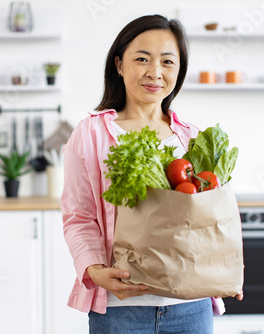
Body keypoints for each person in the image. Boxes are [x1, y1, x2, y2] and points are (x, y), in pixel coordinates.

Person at [61, 14, 242, 334]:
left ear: (179, 70)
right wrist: (94, 270)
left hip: (190, 307)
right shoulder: (91, 134)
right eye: (142, 59)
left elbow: (209, 218)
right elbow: (78, 215)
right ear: (119, 64)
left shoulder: (192, 137)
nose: (155, 72)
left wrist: (226, 266)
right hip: (120, 309)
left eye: (167, 62)